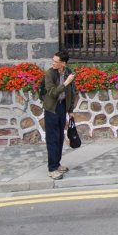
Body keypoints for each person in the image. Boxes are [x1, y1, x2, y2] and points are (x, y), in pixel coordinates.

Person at [42, 50, 76, 179]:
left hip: (62, 107)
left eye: (56, 62)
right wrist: (66, 82)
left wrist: (71, 110)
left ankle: (57, 164)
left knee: (60, 137)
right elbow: (53, 93)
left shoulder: (68, 72)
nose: (53, 63)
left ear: (63, 63)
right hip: (51, 109)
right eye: (53, 60)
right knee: (52, 138)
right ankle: (52, 169)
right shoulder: (50, 74)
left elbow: (71, 92)